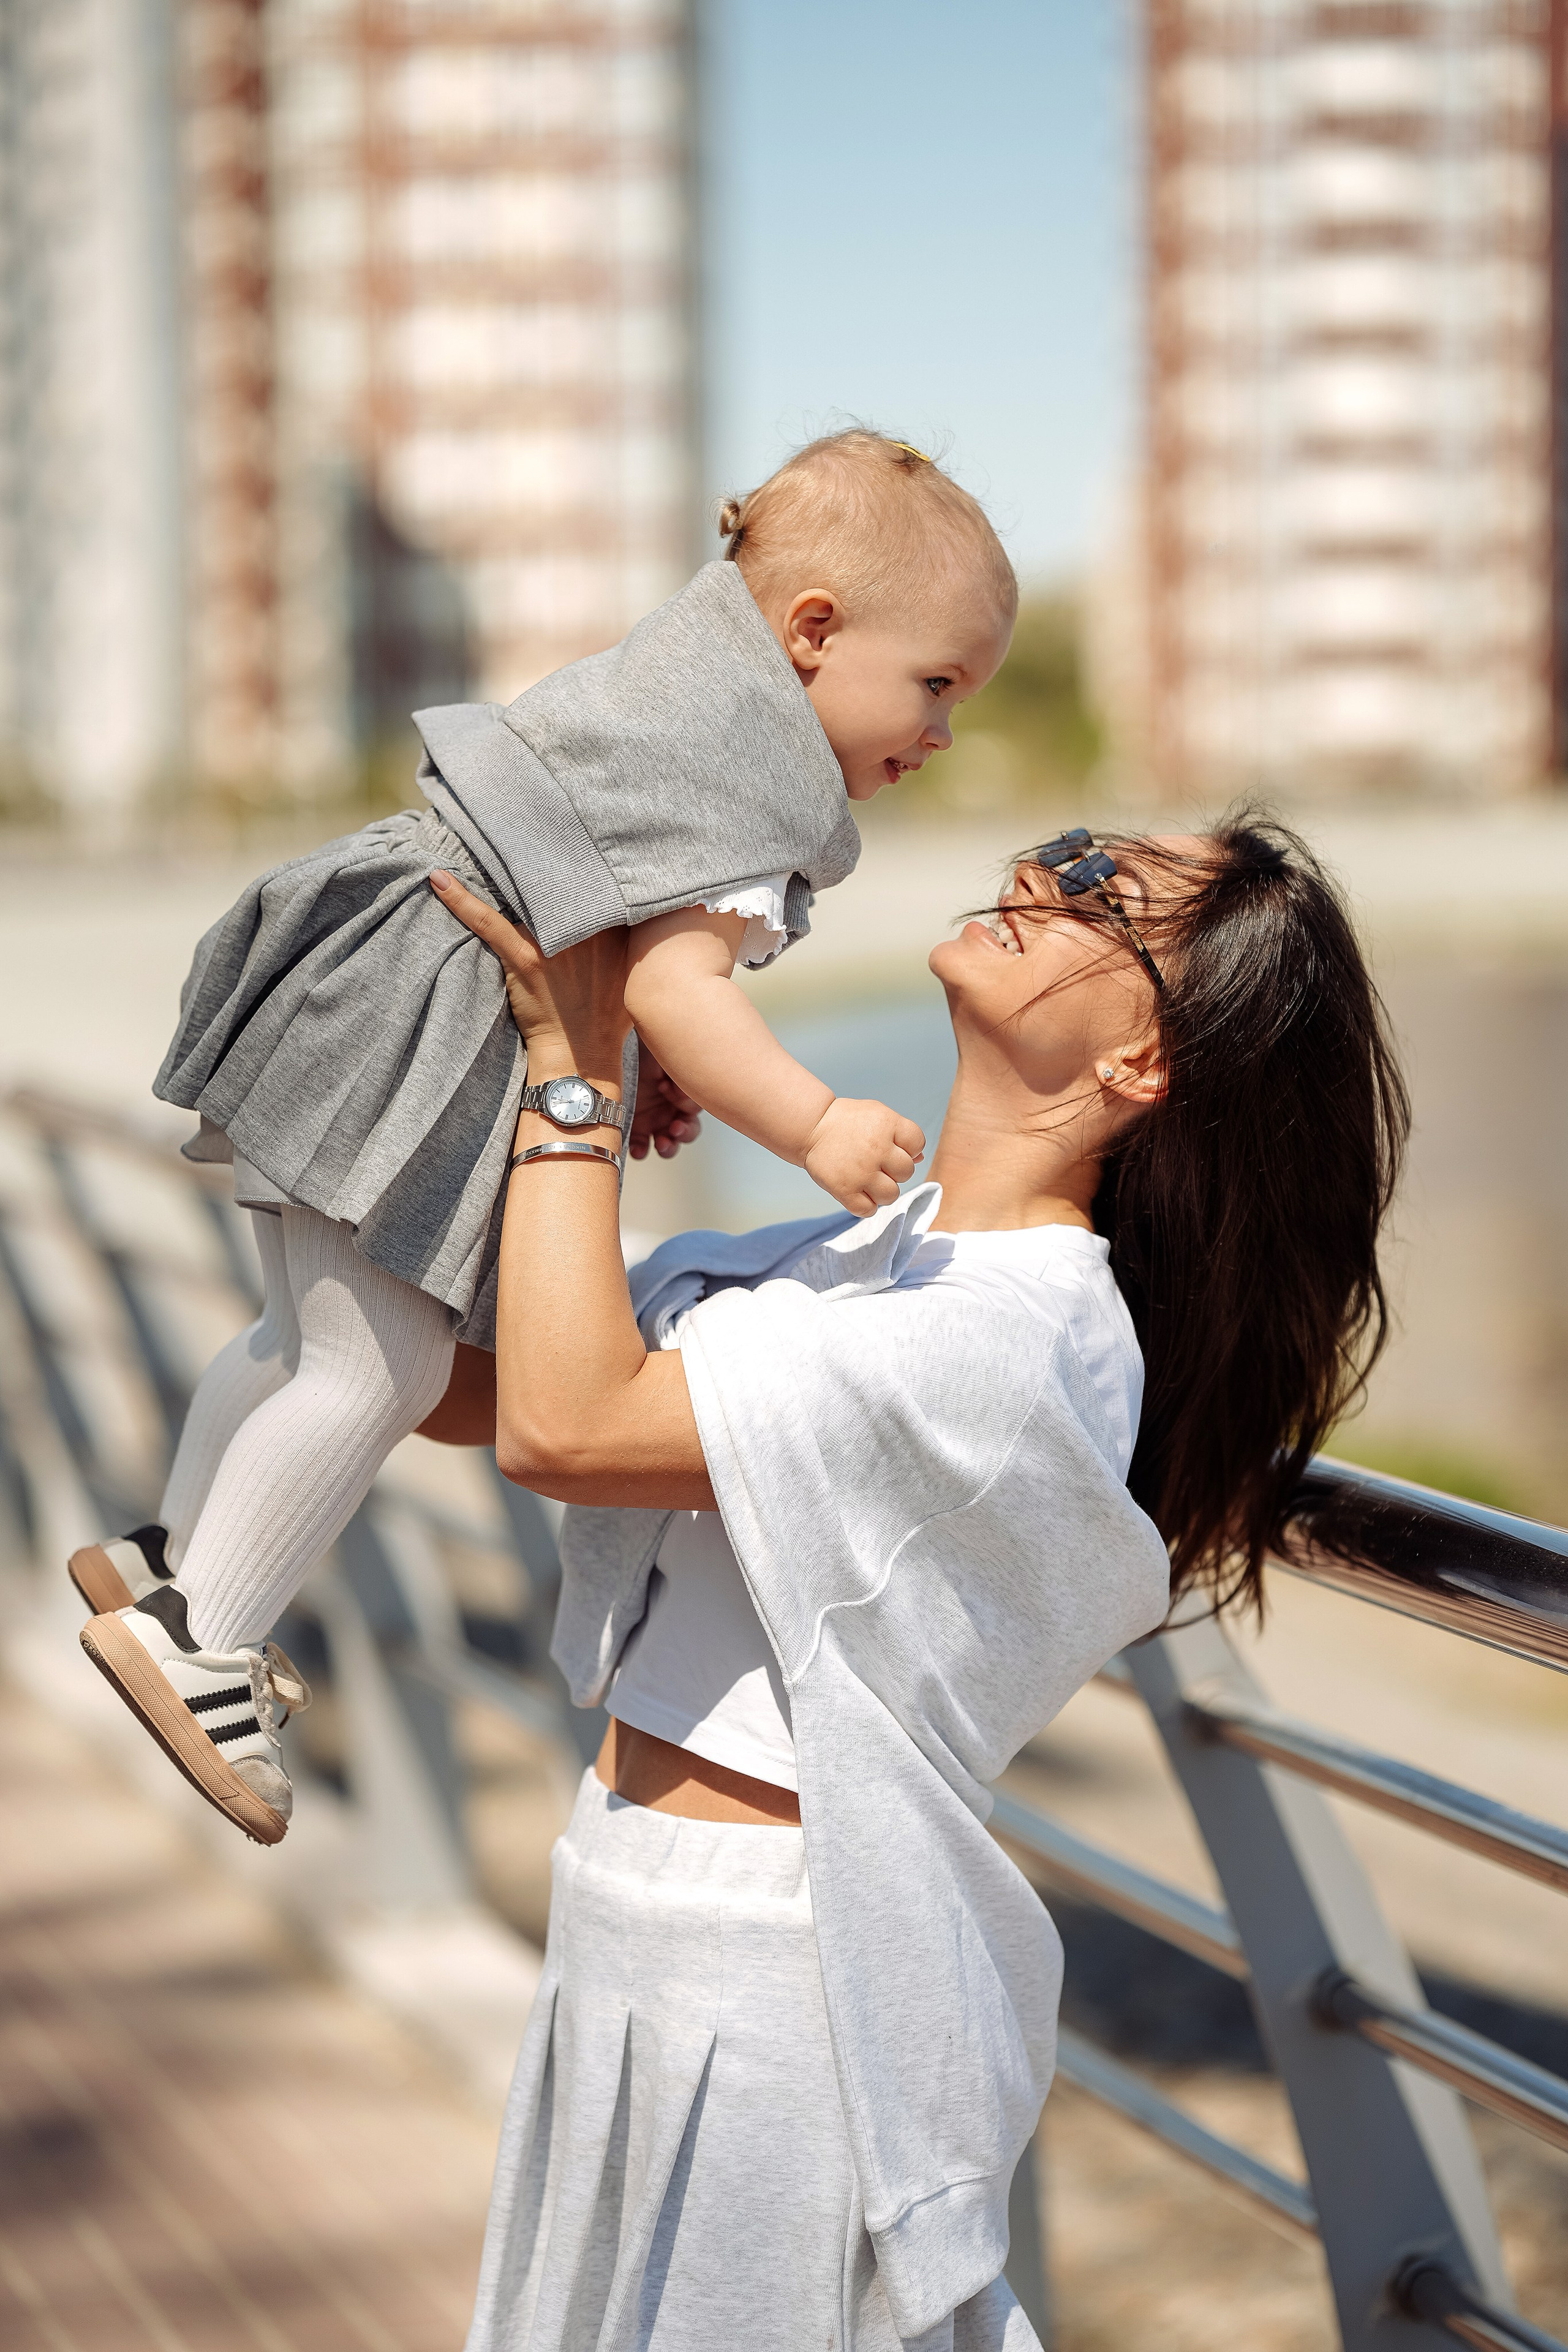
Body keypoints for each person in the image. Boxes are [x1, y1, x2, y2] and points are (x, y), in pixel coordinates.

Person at [425, 809, 1409, 2351]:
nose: (1037, 874)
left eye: (1100, 891)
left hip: (780, 1970)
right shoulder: (855, 1254)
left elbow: (563, 1427)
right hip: (626, 1896)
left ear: (1141, 1066)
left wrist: (575, 1075)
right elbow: (456, 1386)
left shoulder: (1013, 1340)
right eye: (1060, 844)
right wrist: (568, 1089)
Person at [69, 431, 1016, 1847]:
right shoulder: (754, 777)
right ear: (813, 633)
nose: (939, 732)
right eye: (934, 685)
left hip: (366, 957)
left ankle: (169, 1561)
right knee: (377, 1366)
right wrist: (811, 1122)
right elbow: (664, 982)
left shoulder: (685, 686)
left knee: (296, 1337)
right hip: (429, 1019)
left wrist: (636, 1079)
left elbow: (603, 933)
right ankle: (201, 1635)